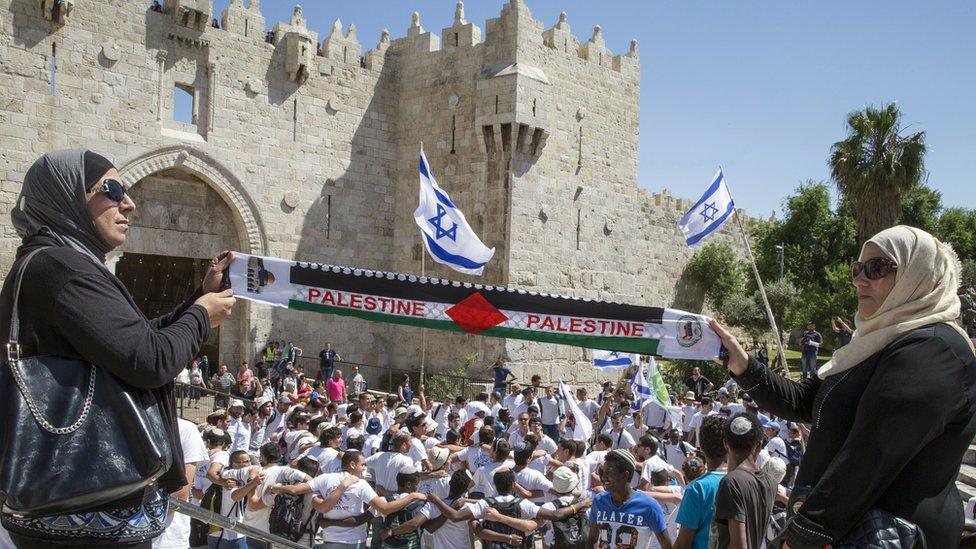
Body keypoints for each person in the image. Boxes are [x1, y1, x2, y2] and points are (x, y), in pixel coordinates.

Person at [0, 150, 237, 548]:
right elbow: (149, 360)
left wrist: (200, 297)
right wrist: (200, 316)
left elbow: (132, 340)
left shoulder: (56, 262)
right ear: (68, 194)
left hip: (76, 508)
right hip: (87, 513)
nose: (128, 202)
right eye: (111, 190)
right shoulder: (63, 267)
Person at [714, 225, 976, 548]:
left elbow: (867, 458)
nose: (859, 280)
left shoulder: (936, 351)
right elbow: (804, 401)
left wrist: (798, 539)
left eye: (877, 268)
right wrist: (742, 364)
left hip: (890, 535)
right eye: (858, 269)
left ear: (917, 275)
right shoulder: (874, 342)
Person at [710, 414, 777, 549]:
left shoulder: (731, 483)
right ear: (759, 445)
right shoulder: (771, 483)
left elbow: (739, 546)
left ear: (725, 444)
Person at [588, 449, 672, 548]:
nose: (603, 477)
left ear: (625, 475)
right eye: (602, 472)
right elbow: (592, 539)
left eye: (609, 472)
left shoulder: (649, 506)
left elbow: (667, 545)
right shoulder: (599, 501)